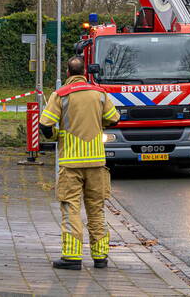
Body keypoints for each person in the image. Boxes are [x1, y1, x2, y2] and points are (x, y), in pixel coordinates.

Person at [39, 57, 120, 270]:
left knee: (71, 208)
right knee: (97, 209)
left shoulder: (61, 95)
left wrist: (56, 135)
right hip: (96, 161)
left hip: (71, 162)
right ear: (85, 72)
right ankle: (100, 256)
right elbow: (114, 119)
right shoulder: (100, 94)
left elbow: (45, 124)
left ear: (67, 72)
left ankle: (72, 257)